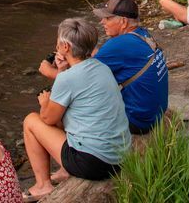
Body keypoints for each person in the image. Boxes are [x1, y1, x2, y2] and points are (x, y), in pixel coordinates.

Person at [23, 18, 132, 198]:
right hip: (120, 156)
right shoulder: (102, 67)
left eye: (58, 42)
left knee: (31, 121)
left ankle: (43, 185)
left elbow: (48, 119)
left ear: (65, 47)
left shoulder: (67, 78)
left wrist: (45, 103)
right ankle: (65, 170)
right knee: (69, 113)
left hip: (95, 163)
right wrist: (63, 71)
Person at [38, 0, 169, 136]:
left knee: (64, 109)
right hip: (154, 113)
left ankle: (71, 148)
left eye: (107, 18)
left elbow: (81, 80)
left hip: (138, 121)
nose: (102, 22)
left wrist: (50, 72)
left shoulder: (119, 44)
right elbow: (98, 59)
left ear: (123, 22)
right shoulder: (141, 35)